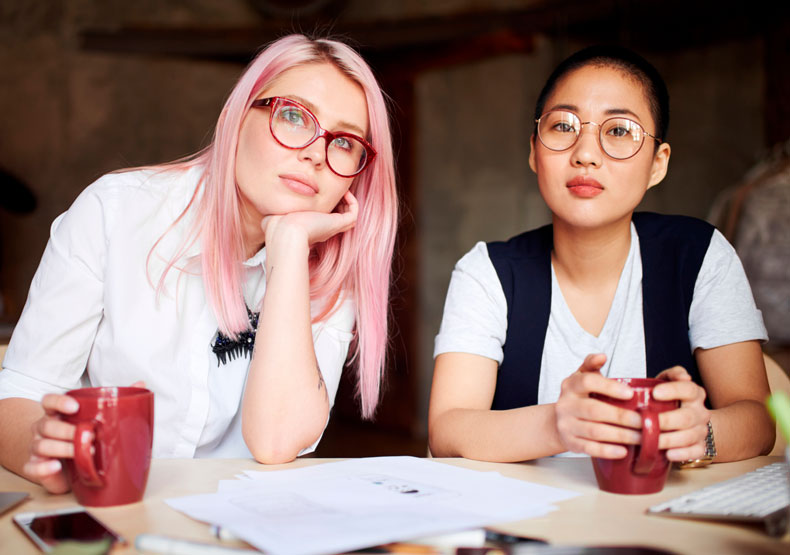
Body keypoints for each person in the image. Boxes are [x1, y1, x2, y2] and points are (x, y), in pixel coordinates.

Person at [0, 34, 398, 493]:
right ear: (237, 115)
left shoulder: (332, 269)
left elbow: (276, 441)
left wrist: (288, 248)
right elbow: (21, 394)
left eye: (345, 142)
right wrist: (42, 445)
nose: (314, 153)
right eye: (293, 116)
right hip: (114, 509)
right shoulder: (116, 213)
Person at [428, 45, 774, 464]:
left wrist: (702, 435)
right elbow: (447, 430)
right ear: (534, 151)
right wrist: (558, 424)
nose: (585, 154)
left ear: (657, 165)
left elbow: (757, 420)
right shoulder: (488, 273)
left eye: (618, 131)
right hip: (527, 524)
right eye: (562, 126)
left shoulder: (699, 256)